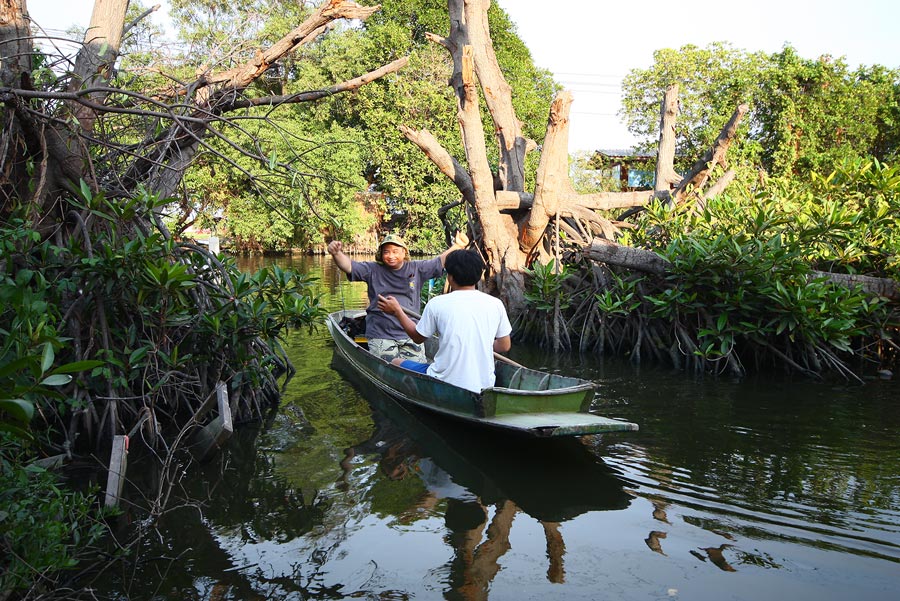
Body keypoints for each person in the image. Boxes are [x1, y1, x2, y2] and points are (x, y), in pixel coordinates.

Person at [376, 249, 512, 393]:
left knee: (395, 362)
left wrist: (397, 311)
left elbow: (417, 338)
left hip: (443, 382)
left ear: (450, 277)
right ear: (479, 276)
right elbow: (504, 346)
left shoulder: (437, 303)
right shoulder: (495, 304)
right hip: (485, 386)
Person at [327, 231, 468, 362]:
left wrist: (458, 245)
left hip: (411, 334)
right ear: (381, 254)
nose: (391, 256)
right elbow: (349, 266)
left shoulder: (416, 268)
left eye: (395, 251)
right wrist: (336, 253)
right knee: (387, 367)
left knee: (418, 370)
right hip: (381, 334)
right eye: (386, 252)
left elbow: (440, 261)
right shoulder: (372, 269)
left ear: (404, 252)